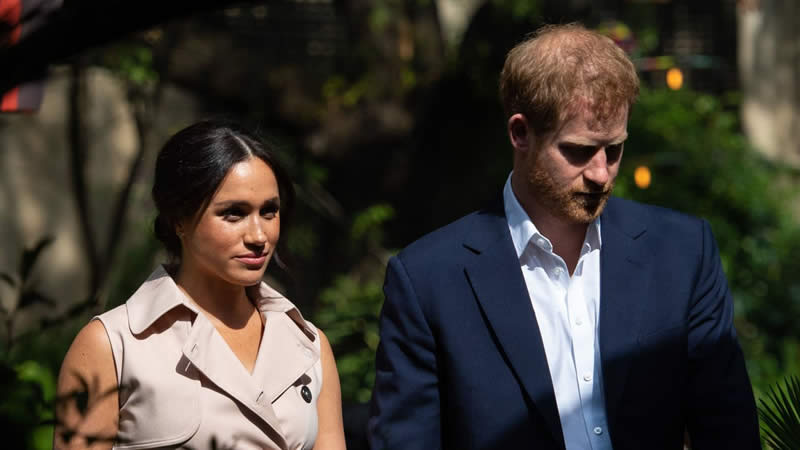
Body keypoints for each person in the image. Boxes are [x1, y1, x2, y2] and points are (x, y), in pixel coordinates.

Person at [368, 23, 760, 450]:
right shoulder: (429, 280)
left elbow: (729, 429)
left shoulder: (682, 252)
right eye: (578, 150)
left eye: (614, 150)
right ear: (520, 133)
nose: (600, 173)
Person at [55, 120, 346, 450]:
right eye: (233, 213)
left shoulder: (309, 346)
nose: (259, 236)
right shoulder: (113, 344)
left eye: (269, 211)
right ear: (178, 218)